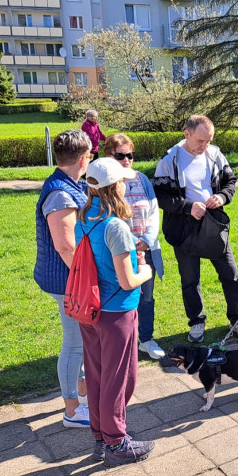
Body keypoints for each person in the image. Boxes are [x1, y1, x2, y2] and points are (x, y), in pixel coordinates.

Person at [76, 158, 155, 465]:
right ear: (115, 187)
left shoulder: (85, 217)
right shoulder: (116, 227)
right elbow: (127, 280)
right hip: (116, 312)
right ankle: (117, 442)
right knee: (120, 378)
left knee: (96, 375)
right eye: (122, 180)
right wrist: (145, 270)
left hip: (90, 309)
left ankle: (100, 436)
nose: (126, 183)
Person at [154, 115, 238, 344]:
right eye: (200, 141)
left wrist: (221, 197)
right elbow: (159, 196)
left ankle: (237, 320)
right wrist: (187, 207)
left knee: (231, 275)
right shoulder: (170, 159)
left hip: (213, 224)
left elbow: (231, 182)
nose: (204, 146)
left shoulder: (215, 154)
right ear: (186, 134)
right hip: (183, 228)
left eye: (209, 140)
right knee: (190, 280)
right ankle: (196, 323)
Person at [33, 130, 91, 428]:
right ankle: (72, 410)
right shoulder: (60, 193)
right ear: (84, 158)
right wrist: (88, 279)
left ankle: (82, 395)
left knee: (78, 340)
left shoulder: (70, 184)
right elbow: (66, 246)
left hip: (69, 278)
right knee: (75, 343)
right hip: (67, 280)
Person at [103, 133, 166, 360]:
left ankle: (146, 339)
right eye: (121, 155)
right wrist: (130, 245)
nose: (127, 159)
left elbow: (153, 211)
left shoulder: (142, 179)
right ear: (109, 155)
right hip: (120, 251)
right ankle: (123, 343)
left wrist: (147, 240)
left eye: (130, 154)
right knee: (122, 296)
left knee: (146, 297)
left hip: (146, 248)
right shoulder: (104, 184)